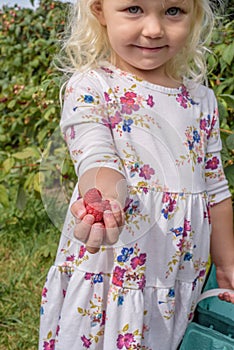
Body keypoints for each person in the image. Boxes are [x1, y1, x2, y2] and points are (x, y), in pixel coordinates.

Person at [39, 0, 234, 349]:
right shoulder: (92, 85)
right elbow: (95, 155)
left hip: (176, 272)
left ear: (195, 14)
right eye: (133, 9)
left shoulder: (201, 100)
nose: (154, 28)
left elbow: (216, 189)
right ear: (99, 10)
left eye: (173, 10)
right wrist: (106, 199)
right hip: (114, 267)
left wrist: (227, 262)